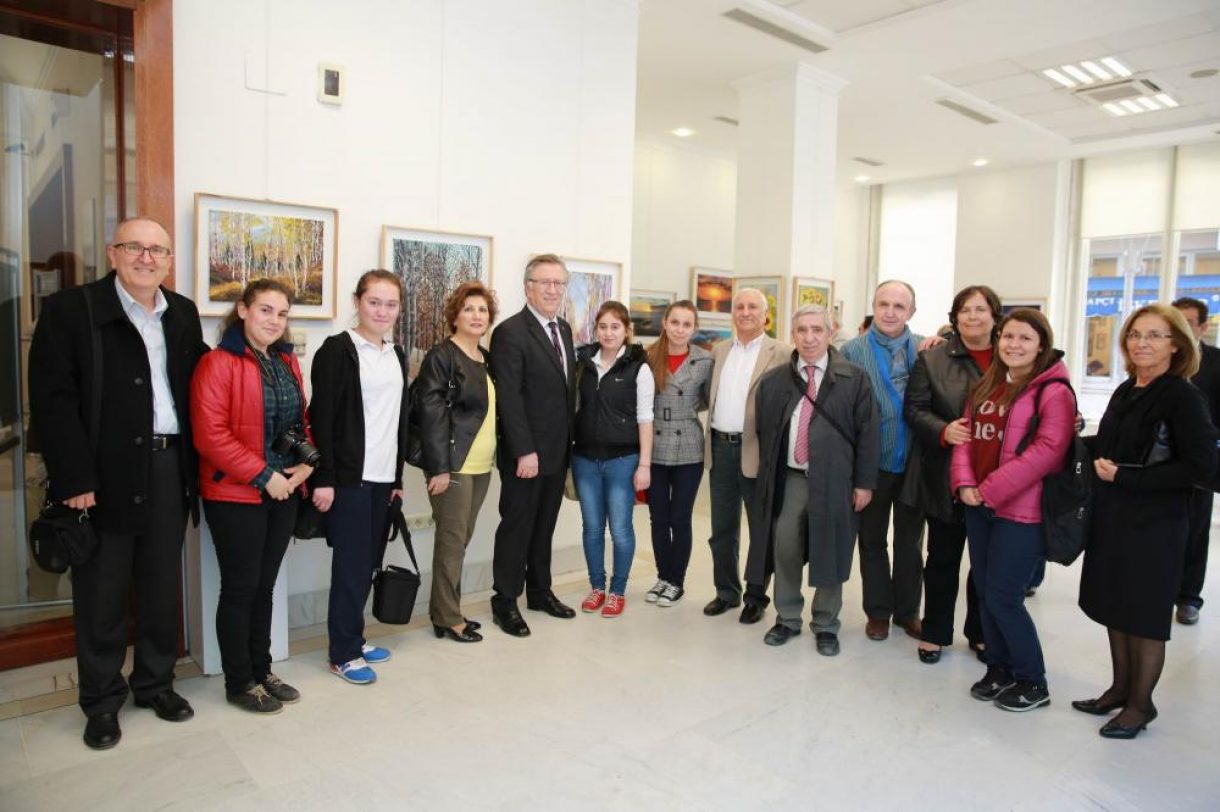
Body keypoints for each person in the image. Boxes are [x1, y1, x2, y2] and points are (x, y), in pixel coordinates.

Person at [29, 217, 207, 750]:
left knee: (160, 587)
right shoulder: (72, 310)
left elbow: (197, 388)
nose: (146, 258)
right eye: (135, 247)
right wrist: (73, 476)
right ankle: (102, 701)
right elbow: (53, 400)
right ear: (113, 253)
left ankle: (155, 684)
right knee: (101, 593)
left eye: (158, 250)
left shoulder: (182, 313)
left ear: (169, 260)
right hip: (101, 475)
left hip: (168, 466)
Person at [1077, 304, 1216, 738]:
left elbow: (1201, 467)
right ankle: (1119, 688)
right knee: (1116, 605)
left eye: (1155, 335)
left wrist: (1126, 477)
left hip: (1156, 522)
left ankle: (1140, 705)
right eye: (1136, 334)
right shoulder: (1127, 389)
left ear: (1176, 345)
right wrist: (1071, 436)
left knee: (1144, 614)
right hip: (1115, 514)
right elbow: (1111, 443)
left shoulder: (1182, 396)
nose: (1142, 343)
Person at [191, 279, 313, 714]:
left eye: (282, 314)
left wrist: (308, 463)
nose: (274, 321)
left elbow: (298, 422)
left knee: (265, 587)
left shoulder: (285, 361)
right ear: (243, 310)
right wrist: (264, 476)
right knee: (240, 588)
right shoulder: (217, 363)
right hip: (235, 494)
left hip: (284, 491)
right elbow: (210, 436)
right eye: (265, 310)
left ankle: (263, 670)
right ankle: (239, 681)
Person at [950, 309, 1075, 713]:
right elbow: (965, 438)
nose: (1014, 345)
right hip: (979, 505)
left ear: (1041, 345)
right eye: (1007, 337)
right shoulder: (987, 384)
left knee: (1005, 596)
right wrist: (964, 484)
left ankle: (1032, 680)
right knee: (986, 592)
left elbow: (1048, 452)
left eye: (1024, 338)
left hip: (1022, 511)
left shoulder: (1053, 391)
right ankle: (999, 668)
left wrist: (989, 490)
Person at [750, 305, 879, 656]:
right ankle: (787, 617)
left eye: (817, 330)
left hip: (836, 480)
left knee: (831, 547)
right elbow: (765, 431)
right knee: (785, 546)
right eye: (802, 330)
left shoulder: (854, 379)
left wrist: (864, 483)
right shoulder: (775, 381)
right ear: (792, 334)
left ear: (830, 333)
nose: (809, 338)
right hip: (790, 478)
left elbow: (868, 434)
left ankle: (825, 623)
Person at [309, 270, 408, 683]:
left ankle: (355, 636)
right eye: (374, 302)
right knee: (350, 567)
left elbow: (397, 421)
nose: (382, 311)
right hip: (350, 479)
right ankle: (343, 653)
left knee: (367, 563)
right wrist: (324, 477)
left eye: (391, 304)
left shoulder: (396, 354)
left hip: (383, 479)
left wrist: (397, 478)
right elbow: (322, 418)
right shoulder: (337, 350)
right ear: (357, 302)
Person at [902, 286, 1000, 664]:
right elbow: (915, 409)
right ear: (955, 317)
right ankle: (935, 632)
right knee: (942, 558)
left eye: (981, 309)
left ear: (994, 315)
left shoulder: (1012, 356)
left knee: (986, 563)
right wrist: (944, 430)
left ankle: (981, 632)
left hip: (998, 475)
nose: (973, 317)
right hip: (945, 475)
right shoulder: (932, 358)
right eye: (965, 310)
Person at [488, 254, 578, 636]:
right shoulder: (510, 332)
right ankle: (505, 601)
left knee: (545, 526)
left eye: (559, 283)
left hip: (557, 451)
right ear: (528, 287)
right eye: (545, 282)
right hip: (526, 455)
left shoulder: (564, 330)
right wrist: (524, 450)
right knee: (518, 526)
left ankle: (540, 592)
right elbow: (509, 398)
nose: (553, 290)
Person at [841, 280, 927, 641]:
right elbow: (842, 410)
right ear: (873, 306)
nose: (890, 312)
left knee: (910, 543)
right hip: (870, 466)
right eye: (883, 304)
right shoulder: (851, 351)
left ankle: (908, 612)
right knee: (872, 540)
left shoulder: (927, 349)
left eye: (899, 306)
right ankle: (877, 612)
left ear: (911, 311)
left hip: (915, 465)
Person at [415, 281, 499, 642]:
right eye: (469, 309)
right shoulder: (442, 356)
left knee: (460, 540)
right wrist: (439, 468)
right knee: (451, 542)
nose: (477, 316)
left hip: (481, 466)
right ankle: (448, 618)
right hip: (454, 466)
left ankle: (446, 610)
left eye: (483, 310)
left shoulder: (485, 358)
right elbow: (431, 415)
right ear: (455, 316)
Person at [703, 288, 792, 623]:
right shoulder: (719, 350)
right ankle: (726, 592)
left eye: (753, 306)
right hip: (720, 448)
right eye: (739, 306)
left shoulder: (782, 352)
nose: (745, 312)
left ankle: (756, 596)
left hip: (758, 450)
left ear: (765, 314)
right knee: (722, 528)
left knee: (760, 528)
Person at [572, 301, 654, 617]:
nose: (608, 333)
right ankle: (597, 587)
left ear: (626, 331)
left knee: (620, 529)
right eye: (603, 326)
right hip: (585, 460)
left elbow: (645, 419)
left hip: (623, 460)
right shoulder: (583, 364)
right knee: (592, 528)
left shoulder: (638, 368)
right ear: (596, 330)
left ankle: (617, 591)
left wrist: (644, 465)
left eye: (615, 327)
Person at [643, 300, 713, 607]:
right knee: (658, 518)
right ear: (665, 323)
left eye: (687, 324)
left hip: (689, 448)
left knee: (680, 518)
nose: (680, 329)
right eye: (675, 322)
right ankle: (663, 576)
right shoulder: (648, 357)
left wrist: (684, 411)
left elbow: (708, 399)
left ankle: (677, 581)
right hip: (654, 445)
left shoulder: (705, 360)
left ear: (694, 328)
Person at [1170, 297, 1220, 625]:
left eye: (1188, 322)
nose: (1181, 328)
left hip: (1199, 465)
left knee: (1195, 532)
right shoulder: (1163, 360)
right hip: (1160, 463)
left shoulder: (1216, 363)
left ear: (1202, 327)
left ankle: (1189, 597)